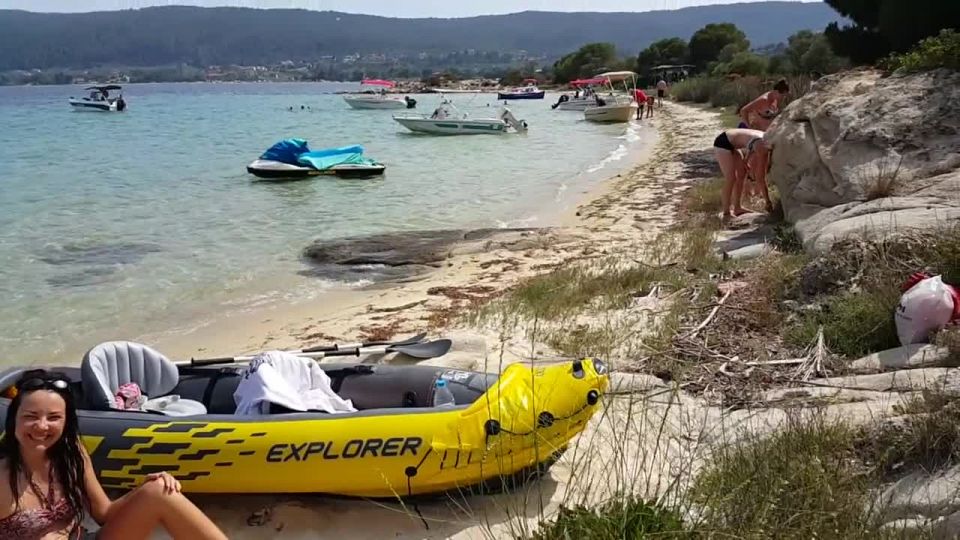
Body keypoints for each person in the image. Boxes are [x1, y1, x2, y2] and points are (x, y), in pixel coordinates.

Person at [0, 369, 227, 540]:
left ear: (66, 421)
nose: (41, 426)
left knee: (159, 490)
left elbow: (104, 513)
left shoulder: (71, 453)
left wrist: (143, 489)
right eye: (30, 416)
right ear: (14, 419)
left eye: (53, 417)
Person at [713, 128, 772, 221]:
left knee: (742, 173)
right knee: (731, 178)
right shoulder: (764, 147)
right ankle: (726, 212)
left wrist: (746, 160)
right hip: (723, 142)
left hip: (734, 142)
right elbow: (760, 177)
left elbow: (751, 145)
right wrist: (768, 201)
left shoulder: (767, 138)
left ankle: (737, 208)